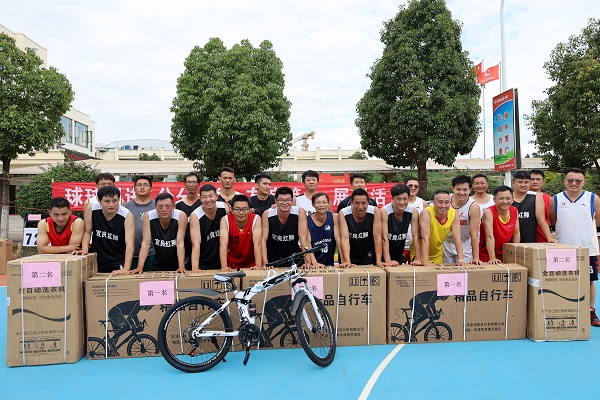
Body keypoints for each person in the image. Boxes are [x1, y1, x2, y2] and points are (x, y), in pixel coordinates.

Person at [550, 168, 600, 327]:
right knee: (562, 280)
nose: (574, 183)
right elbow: (553, 220)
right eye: (570, 180)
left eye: (578, 181)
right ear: (564, 181)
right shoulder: (555, 199)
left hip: (587, 248)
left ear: (584, 182)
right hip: (563, 249)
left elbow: (598, 220)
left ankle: (590, 310)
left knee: (589, 281)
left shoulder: (593, 198)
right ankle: (564, 309)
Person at [127, 193, 187, 274]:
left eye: (168, 206)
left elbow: (180, 242)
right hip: (159, 262)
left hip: (178, 261)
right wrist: (139, 267)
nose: (164, 210)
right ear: (155, 207)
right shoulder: (148, 216)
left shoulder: (180, 216)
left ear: (173, 207)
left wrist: (181, 266)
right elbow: (146, 243)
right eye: (160, 206)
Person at [80, 186, 135, 274]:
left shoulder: (127, 215)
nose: (111, 205)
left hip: (117, 261)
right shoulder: (91, 208)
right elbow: (87, 231)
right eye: (107, 201)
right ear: (99, 200)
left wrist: (126, 268)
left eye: (115, 201)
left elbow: (130, 243)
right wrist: (84, 249)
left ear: (119, 200)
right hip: (96, 260)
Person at [262, 186, 310, 267]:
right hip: (273, 259)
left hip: (294, 257)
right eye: (281, 200)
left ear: (292, 201)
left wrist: (307, 262)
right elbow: (263, 240)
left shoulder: (299, 212)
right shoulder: (267, 214)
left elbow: (303, 239)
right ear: (276, 201)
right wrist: (265, 263)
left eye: (288, 200)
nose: (285, 203)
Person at [338, 188, 383, 266]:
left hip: (368, 256)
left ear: (368, 202)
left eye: (363, 203)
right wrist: (347, 261)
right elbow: (344, 239)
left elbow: (377, 237)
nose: (360, 207)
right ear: (351, 202)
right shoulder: (343, 213)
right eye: (357, 203)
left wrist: (378, 261)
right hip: (350, 256)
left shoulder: (375, 211)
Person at [443, 175, 481, 264]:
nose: (461, 193)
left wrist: (476, 257)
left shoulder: (473, 206)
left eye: (465, 190)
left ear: (470, 190)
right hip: (445, 242)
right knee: (444, 271)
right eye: (458, 189)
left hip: (464, 243)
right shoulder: (445, 200)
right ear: (453, 188)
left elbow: (474, 234)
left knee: (464, 269)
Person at [419, 190, 464, 265]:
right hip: (420, 254)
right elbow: (425, 238)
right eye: (440, 202)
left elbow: (457, 238)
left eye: (446, 202)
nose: (443, 205)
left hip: (437, 253)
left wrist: (461, 259)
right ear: (434, 202)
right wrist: (425, 261)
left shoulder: (453, 213)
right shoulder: (426, 213)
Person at [190, 184, 228, 271]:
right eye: (204, 197)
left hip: (223, 260)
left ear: (216, 196)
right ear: (200, 198)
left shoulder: (224, 207)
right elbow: (195, 243)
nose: (208, 200)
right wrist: (195, 268)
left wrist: (224, 266)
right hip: (204, 261)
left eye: (211, 196)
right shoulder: (195, 216)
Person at [220, 194, 263, 271]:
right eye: (237, 209)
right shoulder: (225, 220)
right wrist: (224, 267)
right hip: (231, 265)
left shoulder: (256, 219)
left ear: (249, 210)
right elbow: (223, 244)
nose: (241, 212)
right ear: (232, 210)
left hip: (251, 264)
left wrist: (258, 265)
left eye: (244, 209)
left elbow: (257, 243)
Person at [381, 184, 421, 266]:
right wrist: (388, 261)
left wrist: (418, 258)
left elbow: (416, 236)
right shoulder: (384, 211)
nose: (402, 202)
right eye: (399, 199)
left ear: (408, 198)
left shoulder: (413, 211)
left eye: (405, 199)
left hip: (399, 254)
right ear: (392, 199)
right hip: (383, 254)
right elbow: (384, 238)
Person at [306, 192, 349, 268]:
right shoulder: (307, 220)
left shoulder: (335, 217)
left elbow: (338, 240)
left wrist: (344, 261)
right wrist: (314, 263)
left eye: (324, 202)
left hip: (329, 263)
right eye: (318, 202)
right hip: (314, 264)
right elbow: (308, 243)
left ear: (328, 204)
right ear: (313, 204)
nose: (321, 205)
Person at [512, 170, 555, 243]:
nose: (523, 185)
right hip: (509, 240)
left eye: (526, 182)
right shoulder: (507, 197)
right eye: (520, 182)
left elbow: (541, 219)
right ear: (513, 183)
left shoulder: (536, 197)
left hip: (530, 240)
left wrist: (549, 237)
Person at [479, 186, 520, 263]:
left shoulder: (514, 210)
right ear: (494, 200)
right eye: (501, 198)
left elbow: (516, 233)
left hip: (506, 254)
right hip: (488, 256)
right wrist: (492, 258)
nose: (504, 201)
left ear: (512, 199)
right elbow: (489, 236)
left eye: (508, 198)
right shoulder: (489, 212)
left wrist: (515, 254)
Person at [123, 176, 155, 271]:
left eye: (145, 185)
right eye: (139, 185)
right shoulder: (126, 207)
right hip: (131, 255)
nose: (142, 187)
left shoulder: (158, 206)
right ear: (134, 189)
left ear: (151, 189)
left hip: (152, 254)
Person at [176, 172, 202, 269]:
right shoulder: (178, 205)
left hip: (202, 245)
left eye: (194, 182)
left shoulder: (204, 203)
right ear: (184, 184)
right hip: (184, 246)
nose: (191, 185)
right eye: (189, 182)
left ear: (198, 184)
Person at [404, 177, 428, 262]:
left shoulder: (423, 203)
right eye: (410, 186)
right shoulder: (399, 203)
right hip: (401, 244)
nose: (413, 188)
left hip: (417, 245)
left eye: (416, 186)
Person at [529, 169, 551, 243]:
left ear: (543, 182)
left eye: (538, 179)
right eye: (532, 179)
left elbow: (551, 219)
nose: (535, 182)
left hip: (543, 238)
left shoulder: (549, 198)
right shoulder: (520, 198)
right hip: (525, 237)